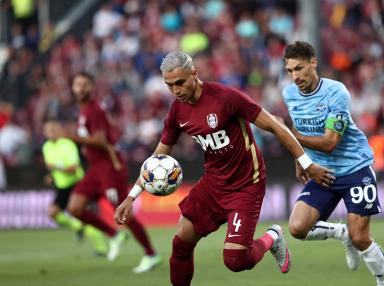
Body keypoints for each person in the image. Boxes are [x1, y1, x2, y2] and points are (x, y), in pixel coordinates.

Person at [114, 51, 334, 286]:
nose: (176, 91)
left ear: (194, 74)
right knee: (180, 244)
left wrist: (306, 163)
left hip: (246, 185)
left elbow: (276, 126)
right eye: (170, 86)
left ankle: (273, 237)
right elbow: (158, 157)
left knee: (235, 261)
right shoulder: (178, 111)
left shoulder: (226, 98)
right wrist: (131, 196)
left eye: (180, 83)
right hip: (213, 184)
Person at [282, 41, 384, 286]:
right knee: (297, 228)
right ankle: (339, 233)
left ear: (313, 62)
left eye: (299, 68)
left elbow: (330, 142)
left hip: (355, 169)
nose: (295, 76)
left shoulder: (336, 92)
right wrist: (299, 158)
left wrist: (287, 135)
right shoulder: (289, 94)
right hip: (322, 172)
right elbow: (298, 127)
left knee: (361, 237)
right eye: (290, 71)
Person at [66, 72, 161, 273]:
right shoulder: (83, 111)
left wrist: (72, 137)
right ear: (73, 88)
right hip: (95, 169)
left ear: (92, 87)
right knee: (75, 207)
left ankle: (151, 254)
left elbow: (100, 140)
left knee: (123, 214)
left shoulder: (94, 110)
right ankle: (114, 235)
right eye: (77, 84)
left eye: (85, 84)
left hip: (110, 168)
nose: (81, 88)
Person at [42, 119, 107, 255]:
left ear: (59, 131)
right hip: (62, 186)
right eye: (48, 131)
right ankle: (78, 228)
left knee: (81, 215)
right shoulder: (46, 147)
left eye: (53, 130)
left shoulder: (67, 144)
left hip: (76, 184)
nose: (51, 133)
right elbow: (54, 167)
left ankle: (101, 247)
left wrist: (55, 168)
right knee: (53, 213)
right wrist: (52, 175)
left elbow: (73, 169)